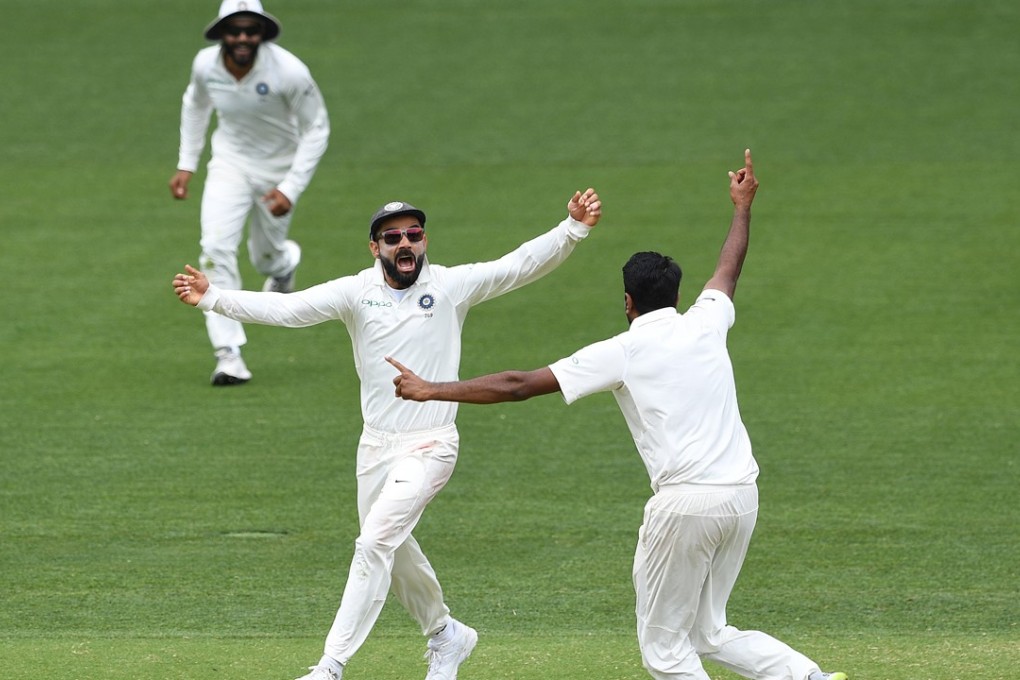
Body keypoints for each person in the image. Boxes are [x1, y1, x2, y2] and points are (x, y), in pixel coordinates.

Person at [386, 151, 850, 680]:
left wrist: (431, 389)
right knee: (707, 632)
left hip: (686, 505)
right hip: (743, 495)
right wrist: (742, 205)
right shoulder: (707, 320)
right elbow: (729, 266)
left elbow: (519, 386)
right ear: (677, 294)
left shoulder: (622, 351)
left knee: (665, 651)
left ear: (628, 301)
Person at [172, 189, 602, 680]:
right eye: (393, 237)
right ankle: (446, 636)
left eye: (414, 235)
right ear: (375, 247)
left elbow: (518, 265)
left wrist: (573, 229)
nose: (405, 243)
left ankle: (330, 666)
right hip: (375, 446)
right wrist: (214, 298)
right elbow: (290, 308)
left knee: (374, 541)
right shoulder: (357, 292)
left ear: (424, 242)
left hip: (431, 442)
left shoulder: (448, 287)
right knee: (394, 550)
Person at [169, 0, 330, 386]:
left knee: (266, 258)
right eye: (234, 29)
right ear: (222, 32)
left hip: (278, 172)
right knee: (215, 248)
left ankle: (283, 264)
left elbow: (317, 128)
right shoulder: (205, 64)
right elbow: (194, 105)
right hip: (230, 165)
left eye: (250, 30)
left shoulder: (289, 71)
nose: (242, 38)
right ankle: (229, 355)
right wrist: (187, 163)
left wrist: (290, 187)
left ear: (262, 33)